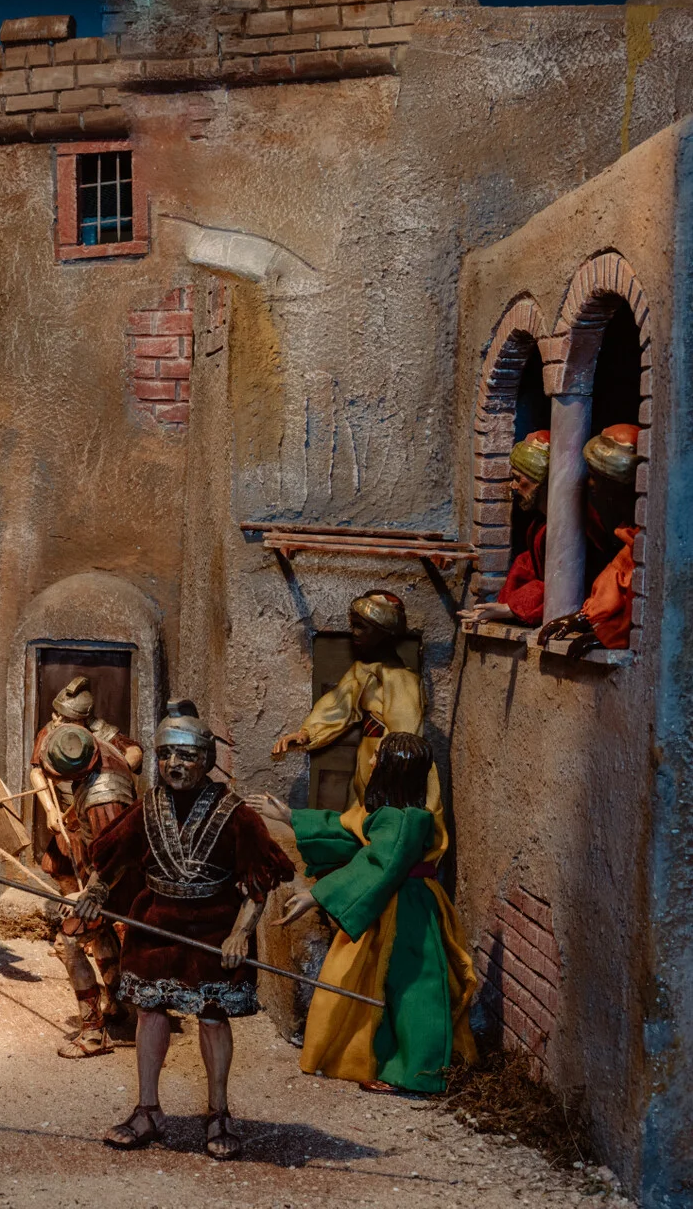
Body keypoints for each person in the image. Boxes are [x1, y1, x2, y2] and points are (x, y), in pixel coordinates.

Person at [75, 701, 295, 1160]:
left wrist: (240, 933)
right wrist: (95, 890)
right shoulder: (147, 807)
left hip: (214, 927)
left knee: (212, 1015)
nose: (174, 764)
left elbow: (258, 884)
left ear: (206, 759)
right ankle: (148, 1110)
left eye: (187, 756)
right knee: (151, 1012)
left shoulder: (236, 813)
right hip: (156, 921)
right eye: (166, 755)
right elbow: (113, 858)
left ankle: (219, 1113)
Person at [251, 733, 479, 1094]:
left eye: (378, 757)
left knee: (415, 988)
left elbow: (379, 864)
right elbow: (348, 832)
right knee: (380, 983)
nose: (371, 761)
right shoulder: (387, 815)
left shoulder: (406, 821)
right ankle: (385, 1059)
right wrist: (292, 817)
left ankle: (420, 1072)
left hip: (408, 911)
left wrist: (318, 895)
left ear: (394, 768)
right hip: (390, 905)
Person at [272, 592, 448, 872]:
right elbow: (338, 704)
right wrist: (307, 733)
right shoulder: (363, 670)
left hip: (391, 768)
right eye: (353, 625)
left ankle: (382, 876)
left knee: (387, 824)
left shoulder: (402, 679)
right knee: (359, 820)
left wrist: (387, 763)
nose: (354, 632)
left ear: (384, 631)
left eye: (361, 627)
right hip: (369, 760)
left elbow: (405, 735)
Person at [31, 723, 138, 1057]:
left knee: (68, 942)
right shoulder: (98, 746)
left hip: (117, 881)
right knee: (100, 933)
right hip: (107, 873)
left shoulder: (103, 799)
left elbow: (116, 859)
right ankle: (118, 1003)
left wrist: (87, 894)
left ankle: (93, 1033)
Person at [537, 423, 640, 656]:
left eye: (594, 477)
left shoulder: (644, 538)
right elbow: (614, 580)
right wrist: (582, 618)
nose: (589, 484)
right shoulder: (627, 531)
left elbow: (635, 590)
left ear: (614, 484)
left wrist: (608, 635)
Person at [458, 430, 550, 627]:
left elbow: (562, 586)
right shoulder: (539, 526)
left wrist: (511, 608)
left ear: (541, 482)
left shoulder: (569, 531)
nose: (513, 486)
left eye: (518, 478)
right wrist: (502, 607)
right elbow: (527, 568)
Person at [34, 676, 143, 773]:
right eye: (57, 715)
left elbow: (134, 752)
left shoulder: (102, 732)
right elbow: (37, 770)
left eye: (69, 720)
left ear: (85, 720)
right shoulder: (48, 731)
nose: (59, 723)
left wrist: (115, 774)